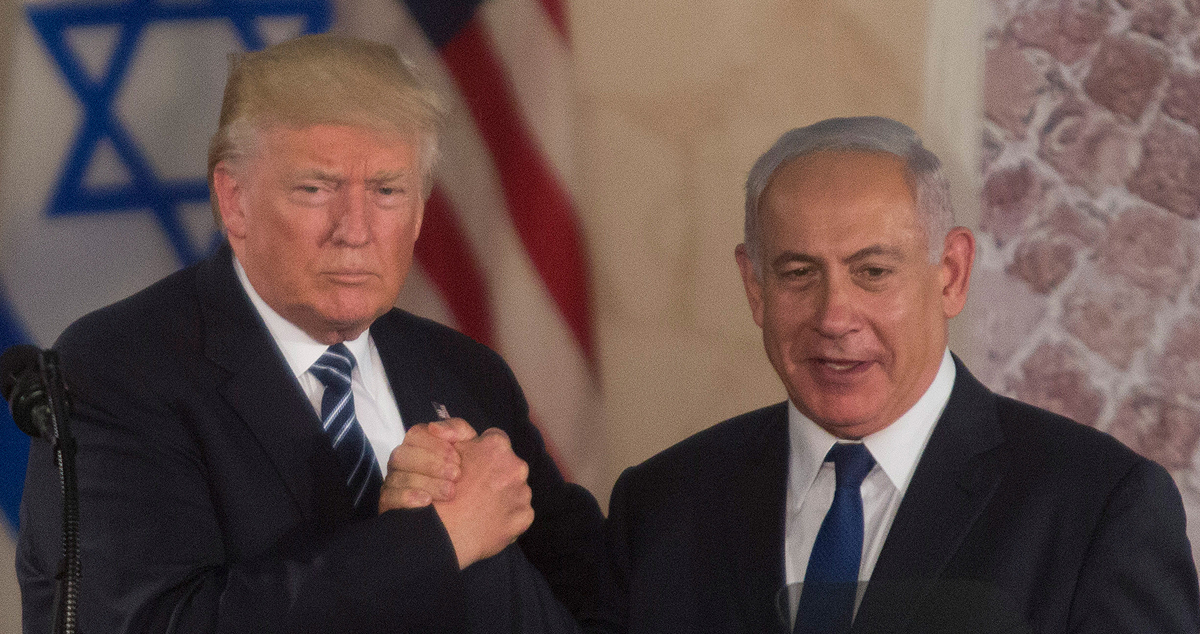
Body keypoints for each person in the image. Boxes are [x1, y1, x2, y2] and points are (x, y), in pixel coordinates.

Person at [16, 34, 604, 633]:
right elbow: (150, 625)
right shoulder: (116, 370)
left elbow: (594, 602)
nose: (354, 230)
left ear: (422, 209)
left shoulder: (463, 371)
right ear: (235, 200)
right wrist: (432, 542)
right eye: (315, 189)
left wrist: (490, 524)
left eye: (387, 191)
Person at [600, 117, 1200, 633]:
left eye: (873, 272)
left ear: (951, 273)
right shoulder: (661, 507)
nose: (833, 317)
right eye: (798, 273)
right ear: (755, 287)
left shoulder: (1097, 509)